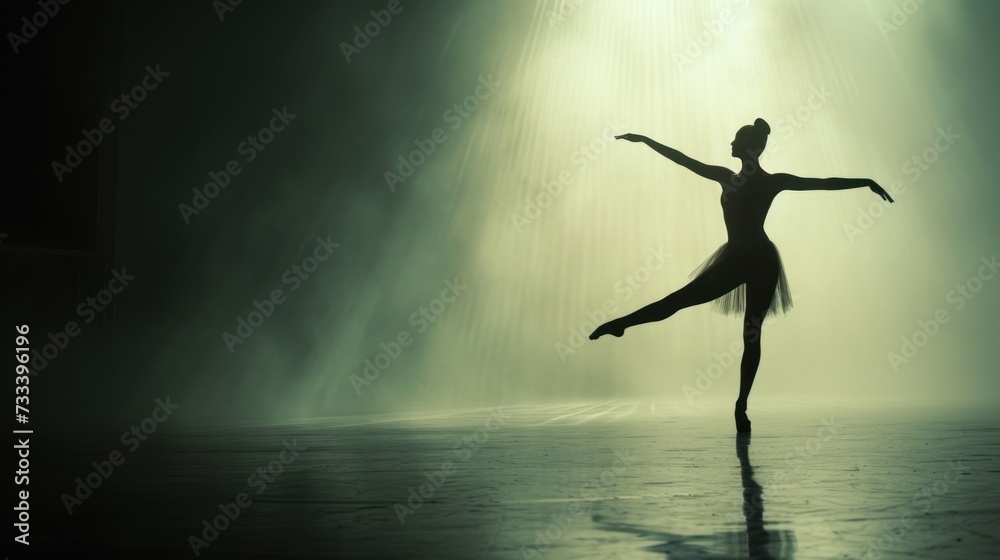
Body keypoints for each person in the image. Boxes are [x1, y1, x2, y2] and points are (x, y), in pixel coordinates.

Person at [589, 118, 893, 432]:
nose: (730, 144)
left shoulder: (761, 180)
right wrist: (645, 139)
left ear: (749, 147)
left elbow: (823, 182)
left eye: (735, 140)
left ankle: (740, 405)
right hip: (745, 257)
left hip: (757, 259)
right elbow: (682, 159)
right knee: (685, 303)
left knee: (748, 332)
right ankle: (622, 324)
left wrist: (865, 181)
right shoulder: (736, 177)